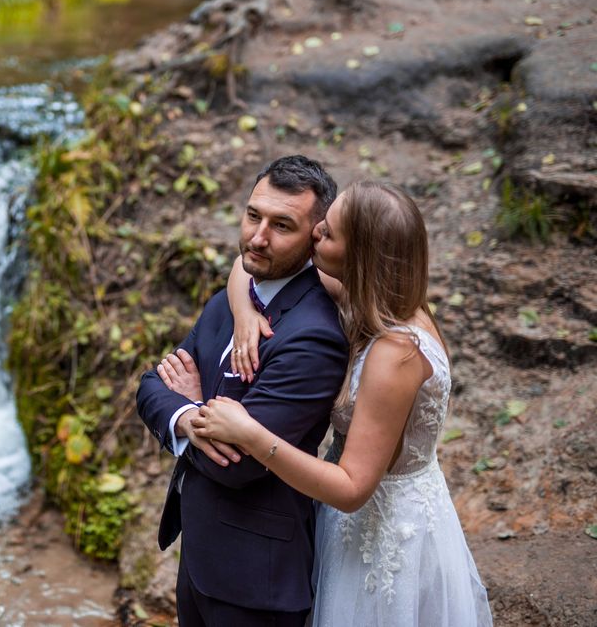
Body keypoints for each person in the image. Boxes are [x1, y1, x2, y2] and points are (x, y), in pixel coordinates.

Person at [191, 181, 493, 626]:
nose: (314, 234)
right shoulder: (369, 294)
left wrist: (253, 436)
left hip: (383, 533)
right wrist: (245, 315)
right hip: (350, 520)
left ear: (360, 257)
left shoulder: (396, 354)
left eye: (327, 234)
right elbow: (245, 264)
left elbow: (352, 489)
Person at [136, 155, 349, 627]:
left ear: (315, 236)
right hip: (200, 554)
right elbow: (153, 383)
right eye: (253, 215)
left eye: (281, 225)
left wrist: (187, 403)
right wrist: (187, 417)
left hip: (257, 581)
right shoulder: (235, 298)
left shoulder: (313, 336)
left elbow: (239, 464)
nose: (257, 236)